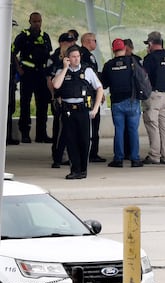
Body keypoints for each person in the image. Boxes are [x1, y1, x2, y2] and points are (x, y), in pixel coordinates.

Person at [52, 45, 104, 179]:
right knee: (71, 141)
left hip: (83, 110)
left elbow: (99, 88)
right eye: (73, 57)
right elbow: (56, 85)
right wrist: (65, 68)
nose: (76, 59)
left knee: (84, 141)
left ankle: (83, 170)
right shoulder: (62, 71)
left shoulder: (87, 70)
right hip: (68, 110)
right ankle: (74, 169)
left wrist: (96, 108)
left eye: (78, 56)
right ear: (67, 58)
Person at [12, 11, 53, 143]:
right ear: (29, 22)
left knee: (42, 105)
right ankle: (25, 133)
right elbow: (12, 53)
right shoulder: (23, 36)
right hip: (28, 74)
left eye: (39, 21)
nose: (37, 24)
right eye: (34, 21)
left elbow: (49, 55)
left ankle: (42, 134)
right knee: (25, 104)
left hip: (41, 74)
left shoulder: (45, 36)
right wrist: (19, 68)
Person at [101, 38, 143, 168]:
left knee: (119, 130)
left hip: (116, 102)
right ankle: (135, 159)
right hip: (132, 101)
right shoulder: (133, 62)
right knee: (133, 131)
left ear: (113, 50)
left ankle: (118, 159)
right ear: (125, 49)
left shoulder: (108, 65)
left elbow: (104, 84)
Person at [141, 31, 165, 165]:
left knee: (152, 124)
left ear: (150, 43)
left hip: (153, 95)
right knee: (164, 126)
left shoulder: (150, 58)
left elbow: (144, 77)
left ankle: (154, 155)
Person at [48, 32, 75, 168]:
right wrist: (53, 96)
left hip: (72, 100)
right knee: (60, 131)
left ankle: (69, 155)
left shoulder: (77, 60)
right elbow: (50, 79)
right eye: (68, 42)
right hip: (60, 99)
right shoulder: (55, 60)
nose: (71, 44)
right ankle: (58, 156)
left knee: (71, 131)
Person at [80, 32, 106, 163]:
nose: (95, 43)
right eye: (94, 40)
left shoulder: (80, 54)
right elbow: (93, 77)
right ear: (88, 41)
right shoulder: (88, 57)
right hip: (91, 95)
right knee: (94, 125)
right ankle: (92, 153)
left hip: (85, 95)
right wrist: (99, 92)